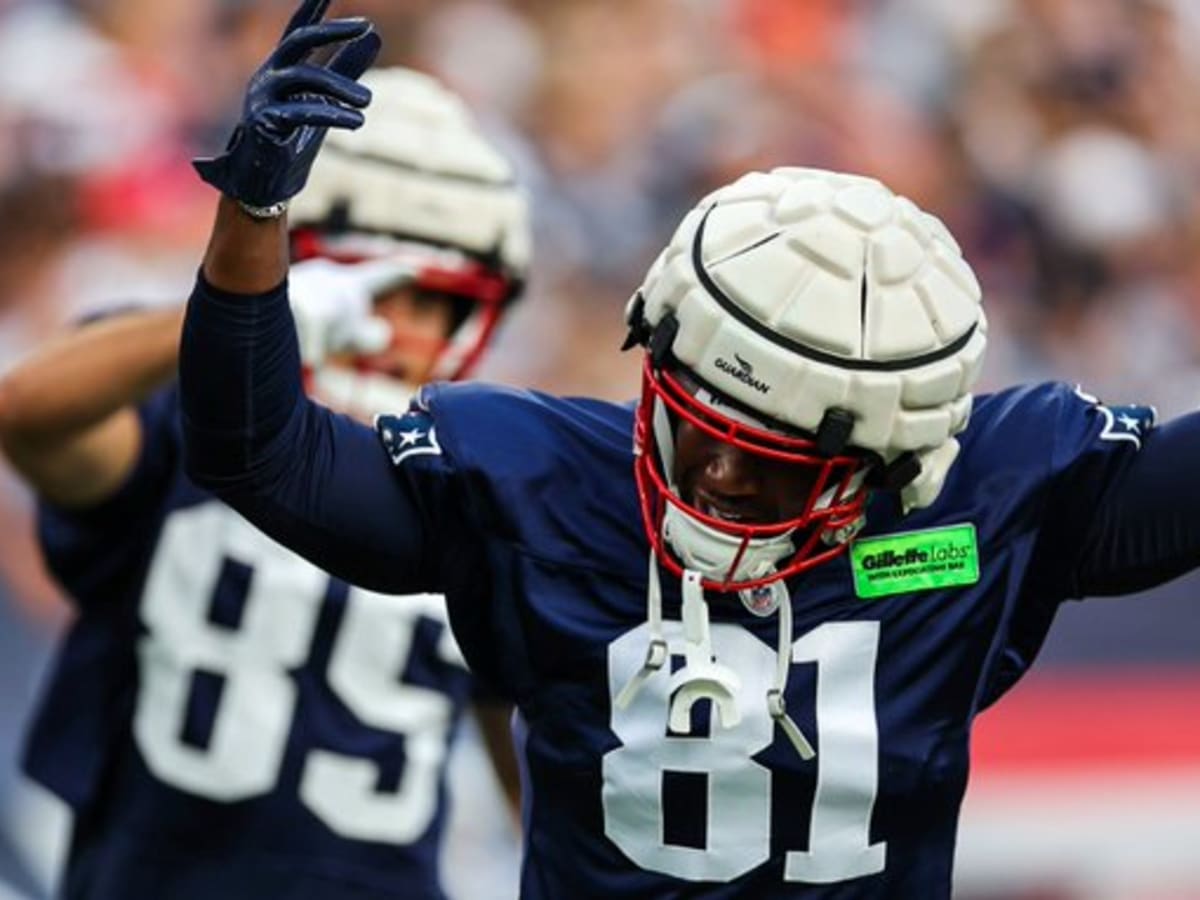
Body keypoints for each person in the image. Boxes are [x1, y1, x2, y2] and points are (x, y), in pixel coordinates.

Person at [178, 2, 1200, 897]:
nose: (715, 473)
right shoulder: (543, 485)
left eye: (771, 459)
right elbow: (258, 455)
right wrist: (256, 211)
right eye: (698, 424)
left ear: (888, 463)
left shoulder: (979, 503)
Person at [0, 61, 529, 900]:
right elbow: (27, 412)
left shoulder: (483, 486)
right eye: (361, 285)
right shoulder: (182, 417)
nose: (394, 329)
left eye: (437, 302)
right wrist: (251, 312)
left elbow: (528, 760)